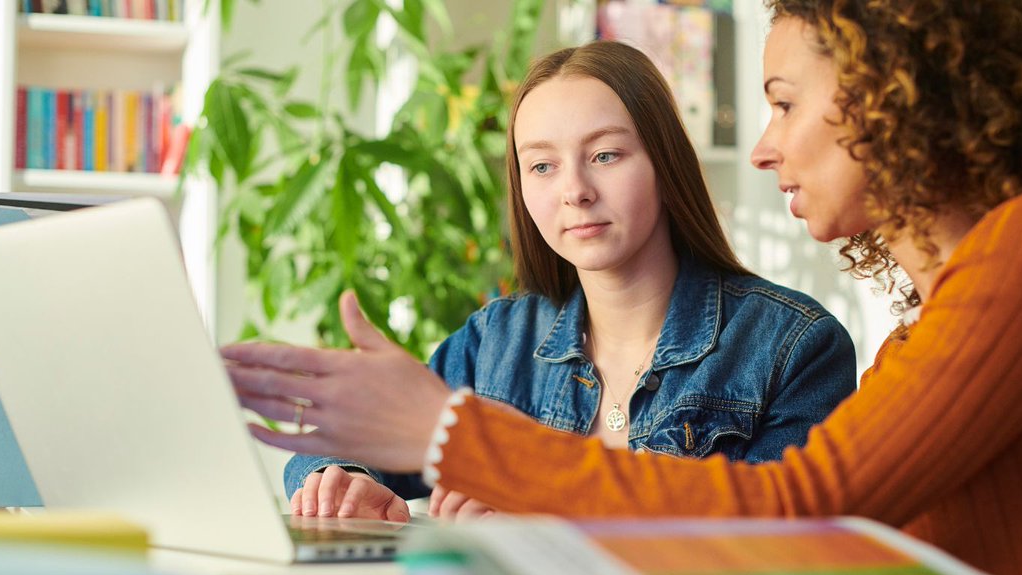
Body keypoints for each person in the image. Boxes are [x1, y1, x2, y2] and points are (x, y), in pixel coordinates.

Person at [222, 0, 1022, 575]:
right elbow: (841, 562)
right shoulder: (936, 319)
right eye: (541, 165)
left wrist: (450, 432)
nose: (764, 148)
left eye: (785, 102)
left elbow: (793, 515)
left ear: (895, 96)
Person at [267, 40, 856, 523]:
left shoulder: (790, 347)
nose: (574, 190)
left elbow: (780, 549)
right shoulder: (498, 341)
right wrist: (340, 481)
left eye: (604, 155)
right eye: (542, 165)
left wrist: (547, 523)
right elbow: (343, 440)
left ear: (664, 162)